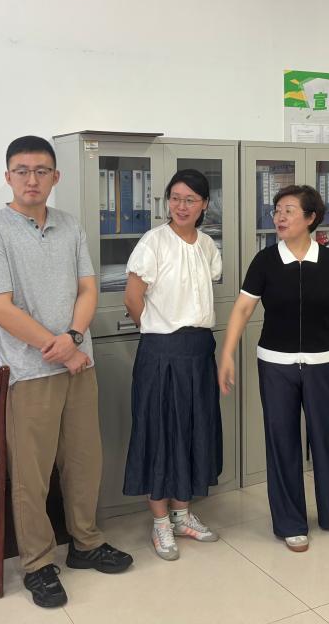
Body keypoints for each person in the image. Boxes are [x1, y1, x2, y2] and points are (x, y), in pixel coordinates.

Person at [0, 135, 132, 610]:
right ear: (7, 177)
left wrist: (75, 338)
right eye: (22, 171)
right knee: (32, 474)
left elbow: (88, 288)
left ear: (55, 177)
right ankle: (38, 563)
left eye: (41, 171)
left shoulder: (69, 225)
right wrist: (60, 349)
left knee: (84, 461)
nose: (32, 179)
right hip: (29, 372)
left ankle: (86, 542)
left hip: (79, 362)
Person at [219, 184, 329, 553]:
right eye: (277, 210)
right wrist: (227, 354)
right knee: (282, 440)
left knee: (326, 438)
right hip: (276, 365)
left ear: (311, 218)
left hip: (322, 363)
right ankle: (290, 522)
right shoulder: (265, 261)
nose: (279, 217)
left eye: (289, 211)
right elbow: (243, 309)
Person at [122, 169, 224, 561]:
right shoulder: (153, 242)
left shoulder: (207, 245)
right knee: (159, 432)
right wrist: (156, 331)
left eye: (190, 200)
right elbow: (133, 298)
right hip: (161, 352)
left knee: (194, 429)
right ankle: (161, 522)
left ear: (204, 205)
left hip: (198, 350)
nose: (181, 206)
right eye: (175, 198)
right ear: (167, 201)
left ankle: (182, 514)